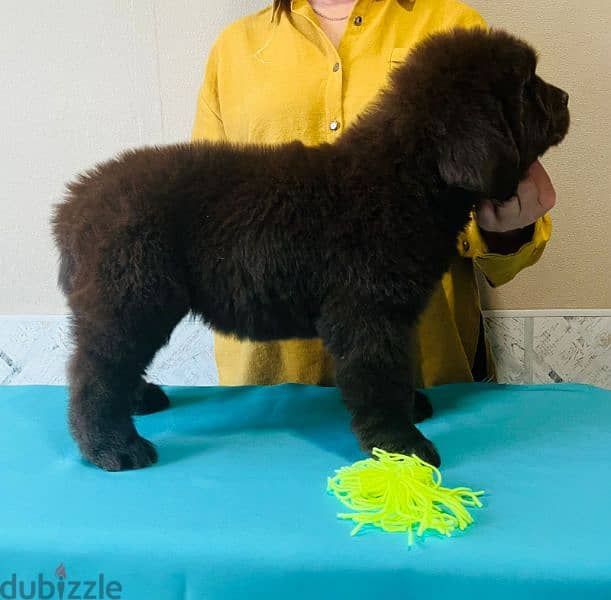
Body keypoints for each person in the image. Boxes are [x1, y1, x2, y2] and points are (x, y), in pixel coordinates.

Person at [191, 0, 556, 389]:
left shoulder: (454, 25)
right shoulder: (234, 49)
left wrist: (506, 228)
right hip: (272, 385)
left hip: (422, 380)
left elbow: (504, 252)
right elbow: (206, 213)